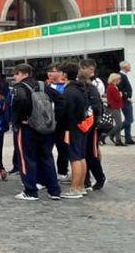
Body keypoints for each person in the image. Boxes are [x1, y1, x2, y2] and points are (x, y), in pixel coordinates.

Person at [11, 63, 61, 201]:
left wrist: (18, 120)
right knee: (47, 157)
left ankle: (30, 191)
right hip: (45, 127)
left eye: (16, 73)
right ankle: (54, 190)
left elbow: (18, 103)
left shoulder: (20, 88)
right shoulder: (43, 85)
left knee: (26, 159)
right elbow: (60, 99)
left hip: (27, 127)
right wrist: (53, 118)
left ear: (23, 73)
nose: (15, 77)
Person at [60, 62, 88, 199]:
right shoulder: (80, 88)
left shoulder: (69, 91)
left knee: (75, 158)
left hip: (72, 127)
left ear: (65, 74)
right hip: (81, 126)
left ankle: (75, 188)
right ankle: (81, 186)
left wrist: (64, 127)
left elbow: (67, 112)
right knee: (81, 157)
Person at [79, 59, 105, 191]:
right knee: (84, 153)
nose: (91, 72)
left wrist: (92, 122)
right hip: (84, 125)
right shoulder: (83, 86)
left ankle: (99, 177)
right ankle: (86, 180)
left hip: (92, 126)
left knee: (91, 153)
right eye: (89, 69)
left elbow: (97, 107)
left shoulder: (93, 86)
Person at [106, 73, 126, 146]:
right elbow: (117, 98)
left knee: (119, 124)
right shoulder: (112, 87)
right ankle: (109, 135)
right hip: (114, 107)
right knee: (119, 124)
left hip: (116, 106)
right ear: (114, 79)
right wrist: (120, 94)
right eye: (118, 79)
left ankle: (118, 140)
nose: (120, 80)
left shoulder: (114, 87)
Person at [118, 61, 135, 145]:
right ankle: (112, 132)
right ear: (124, 67)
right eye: (129, 65)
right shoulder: (121, 76)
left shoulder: (124, 75)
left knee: (128, 119)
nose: (130, 67)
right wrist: (127, 98)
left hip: (126, 100)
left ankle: (128, 138)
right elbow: (120, 89)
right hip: (125, 101)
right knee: (130, 119)